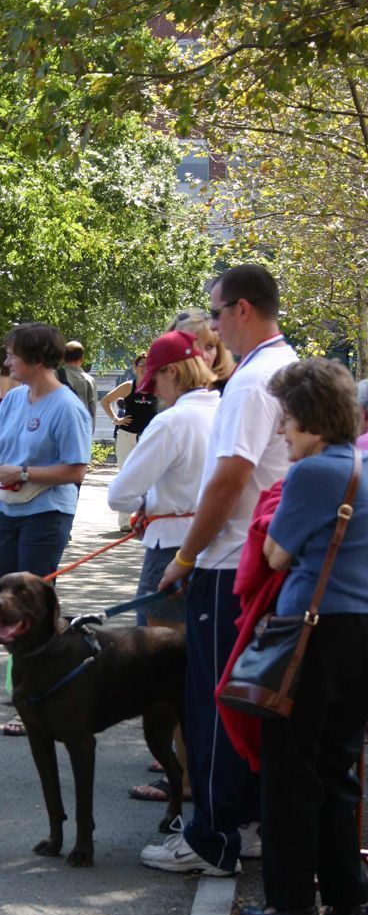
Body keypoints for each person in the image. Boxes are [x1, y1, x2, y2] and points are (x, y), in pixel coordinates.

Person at [141, 263, 297, 876]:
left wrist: (184, 557)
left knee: (212, 703)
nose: (210, 328)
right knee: (249, 698)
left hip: (230, 560)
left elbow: (231, 478)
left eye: (215, 312)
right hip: (261, 559)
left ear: (242, 310)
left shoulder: (253, 380)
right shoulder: (285, 369)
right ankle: (246, 823)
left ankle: (211, 837)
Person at [236, 359, 368, 915]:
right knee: (338, 767)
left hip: (311, 633)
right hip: (361, 632)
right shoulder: (363, 466)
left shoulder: (312, 475)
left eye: (287, 420)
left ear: (311, 421)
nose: (282, 432)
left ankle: (291, 903)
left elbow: (276, 556)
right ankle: (349, 903)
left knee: (290, 771)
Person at [0, 322, 92, 735]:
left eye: (12, 354)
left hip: (47, 516)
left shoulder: (66, 407)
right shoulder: (12, 400)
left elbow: (77, 470)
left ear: (36, 358)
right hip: (8, 513)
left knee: (34, 611)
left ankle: (39, 698)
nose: (6, 360)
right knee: (7, 608)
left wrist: (26, 473)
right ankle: (26, 692)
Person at [107, 331, 219, 805]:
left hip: (170, 551)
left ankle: (187, 780)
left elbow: (119, 493)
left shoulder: (173, 423)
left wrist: (149, 504)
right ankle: (208, 775)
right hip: (216, 548)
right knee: (206, 666)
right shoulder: (224, 410)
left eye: (156, 379)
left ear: (174, 372)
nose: (152, 389)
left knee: (169, 674)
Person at [100, 355, 157, 529]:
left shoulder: (157, 387)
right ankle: (125, 522)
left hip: (148, 438)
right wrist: (116, 419)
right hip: (127, 436)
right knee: (125, 476)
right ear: (134, 367)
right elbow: (105, 401)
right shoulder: (128, 386)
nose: (144, 368)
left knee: (148, 478)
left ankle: (146, 519)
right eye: (141, 365)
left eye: (148, 365)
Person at [170, 306, 235, 392]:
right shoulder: (157, 391)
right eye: (192, 347)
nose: (203, 355)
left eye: (209, 347)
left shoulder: (232, 390)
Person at [60, 340, 96, 422]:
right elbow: (92, 411)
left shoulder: (54, 376)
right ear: (81, 359)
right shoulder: (89, 380)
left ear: (63, 358)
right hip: (80, 429)